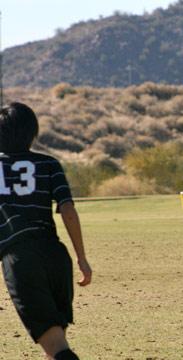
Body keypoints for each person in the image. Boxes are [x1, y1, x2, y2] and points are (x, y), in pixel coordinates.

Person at [0, 102, 92, 359]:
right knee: (55, 344)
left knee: (57, 348)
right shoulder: (49, 164)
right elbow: (69, 211)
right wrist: (81, 258)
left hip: (21, 260)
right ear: (33, 132)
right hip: (56, 257)